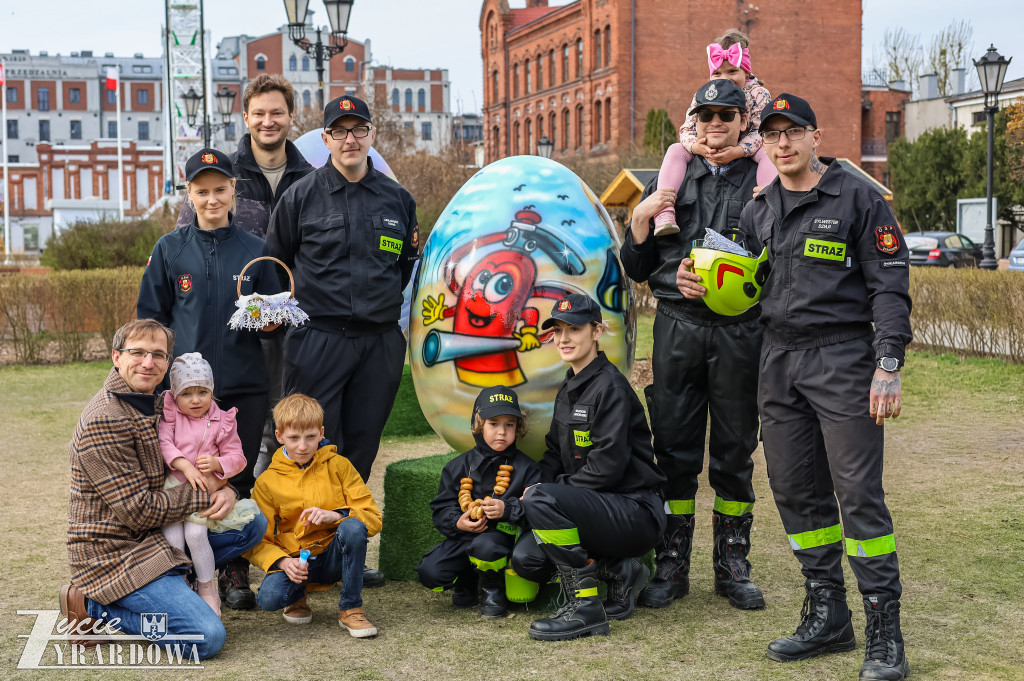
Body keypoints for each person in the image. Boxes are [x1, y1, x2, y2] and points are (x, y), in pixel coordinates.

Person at [680, 93, 913, 680]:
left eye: (793, 132)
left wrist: (888, 363)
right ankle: (828, 614)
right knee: (794, 491)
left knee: (858, 494)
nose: (782, 144)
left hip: (842, 359)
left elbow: (889, 286)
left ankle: (884, 630)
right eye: (773, 134)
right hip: (777, 360)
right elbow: (743, 285)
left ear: (815, 136)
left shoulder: (857, 197)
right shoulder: (758, 209)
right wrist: (696, 280)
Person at [621, 79, 766, 612]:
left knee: (734, 451)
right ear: (695, 121)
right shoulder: (672, 173)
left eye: (727, 115)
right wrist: (642, 229)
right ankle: (671, 564)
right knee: (673, 451)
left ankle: (733, 566)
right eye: (707, 116)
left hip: (739, 332)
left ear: (743, 120)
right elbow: (637, 267)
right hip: (678, 327)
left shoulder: (764, 177)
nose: (716, 124)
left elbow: (779, 258)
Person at [266, 94, 417, 591]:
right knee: (308, 447)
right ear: (325, 138)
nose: (350, 139)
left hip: (378, 343)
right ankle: (301, 557)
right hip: (319, 340)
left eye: (359, 129)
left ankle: (346, 553)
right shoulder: (300, 197)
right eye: (340, 131)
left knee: (361, 449)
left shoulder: (397, 199)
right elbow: (277, 266)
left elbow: (402, 268)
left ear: (372, 135)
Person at [61, 319, 267, 660]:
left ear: (168, 363)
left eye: (158, 354)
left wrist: (227, 489)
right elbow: (140, 512)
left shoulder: (158, 403)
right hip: (117, 553)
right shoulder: (105, 420)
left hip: (158, 533)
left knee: (252, 524)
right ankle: (92, 605)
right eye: (138, 352)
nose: (148, 362)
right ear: (116, 357)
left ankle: (184, 581)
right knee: (206, 637)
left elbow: (212, 453)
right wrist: (209, 489)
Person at [139, 147, 281, 609]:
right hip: (184, 393)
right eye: (202, 191)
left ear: (233, 190)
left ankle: (233, 568)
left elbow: (272, 318)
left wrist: (272, 319)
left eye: (220, 189)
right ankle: (180, 569)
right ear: (189, 193)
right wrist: (159, 383)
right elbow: (151, 320)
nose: (212, 199)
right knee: (183, 474)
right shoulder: (170, 249)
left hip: (243, 384)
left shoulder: (256, 250)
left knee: (235, 475)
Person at [510, 294, 667, 641]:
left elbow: (606, 469)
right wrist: (528, 492)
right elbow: (554, 454)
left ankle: (585, 609)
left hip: (634, 511)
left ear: (596, 332)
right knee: (527, 559)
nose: (563, 339)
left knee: (542, 500)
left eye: (574, 329)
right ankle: (622, 572)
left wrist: (546, 495)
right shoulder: (569, 386)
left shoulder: (611, 387)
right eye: (558, 330)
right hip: (595, 508)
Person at [247, 393, 383, 638]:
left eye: (310, 437)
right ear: (279, 436)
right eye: (294, 438)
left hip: (333, 556)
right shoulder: (266, 482)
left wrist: (336, 515)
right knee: (268, 599)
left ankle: (351, 608)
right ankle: (297, 597)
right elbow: (257, 540)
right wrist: (282, 562)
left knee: (353, 527)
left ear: (321, 433)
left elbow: (373, 517)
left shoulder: (340, 466)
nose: (303, 446)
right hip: (297, 560)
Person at [416, 385, 542, 619]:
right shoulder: (457, 467)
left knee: (487, 546)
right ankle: (467, 578)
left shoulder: (528, 468)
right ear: (478, 425)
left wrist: (507, 509)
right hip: (463, 537)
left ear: (518, 427)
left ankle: (493, 589)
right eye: (493, 424)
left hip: (502, 540)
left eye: (509, 425)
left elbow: (538, 510)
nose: (502, 432)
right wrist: (458, 522)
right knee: (430, 572)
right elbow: (441, 508)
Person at [160, 352, 260, 617]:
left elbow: (238, 458)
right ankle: (181, 585)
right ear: (175, 395)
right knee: (173, 537)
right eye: (186, 393)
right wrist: (184, 465)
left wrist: (218, 463)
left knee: (195, 535)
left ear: (212, 391)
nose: (195, 400)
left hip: (202, 491)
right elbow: (164, 443)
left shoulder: (221, 420)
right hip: (173, 486)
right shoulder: (171, 415)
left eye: (202, 392)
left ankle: (207, 588)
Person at [651, 28, 776, 236]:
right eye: (717, 73)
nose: (725, 78)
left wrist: (739, 151)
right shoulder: (704, 94)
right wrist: (696, 147)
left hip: (748, 148)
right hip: (707, 149)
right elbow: (687, 129)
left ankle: (768, 200)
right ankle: (664, 211)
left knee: (768, 150)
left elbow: (761, 131)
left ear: (746, 72)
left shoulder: (758, 93)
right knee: (675, 149)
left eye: (732, 72)